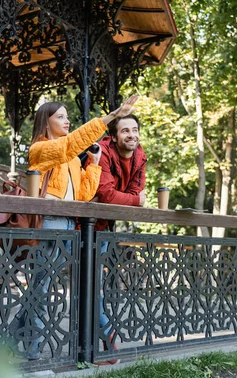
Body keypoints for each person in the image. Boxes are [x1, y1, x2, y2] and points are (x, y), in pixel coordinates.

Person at [15, 95, 138, 361]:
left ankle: (15, 336)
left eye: (67, 115)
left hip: (72, 224)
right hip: (50, 223)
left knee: (69, 282)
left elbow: (83, 194)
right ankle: (34, 345)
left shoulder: (71, 158)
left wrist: (93, 165)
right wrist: (111, 116)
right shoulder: (40, 148)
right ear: (45, 123)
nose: (67, 119)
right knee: (43, 286)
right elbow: (69, 145)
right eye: (60, 116)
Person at [94, 114, 147, 365]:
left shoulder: (139, 156)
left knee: (92, 285)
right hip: (81, 224)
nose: (132, 135)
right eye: (125, 131)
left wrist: (128, 198)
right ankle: (105, 336)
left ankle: (103, 340)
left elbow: (130, 193)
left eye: (135, 130)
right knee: (87, 285)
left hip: (104, 228)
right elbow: (105, 194)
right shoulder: (103, 151)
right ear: (113, 137)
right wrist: (135, 199)